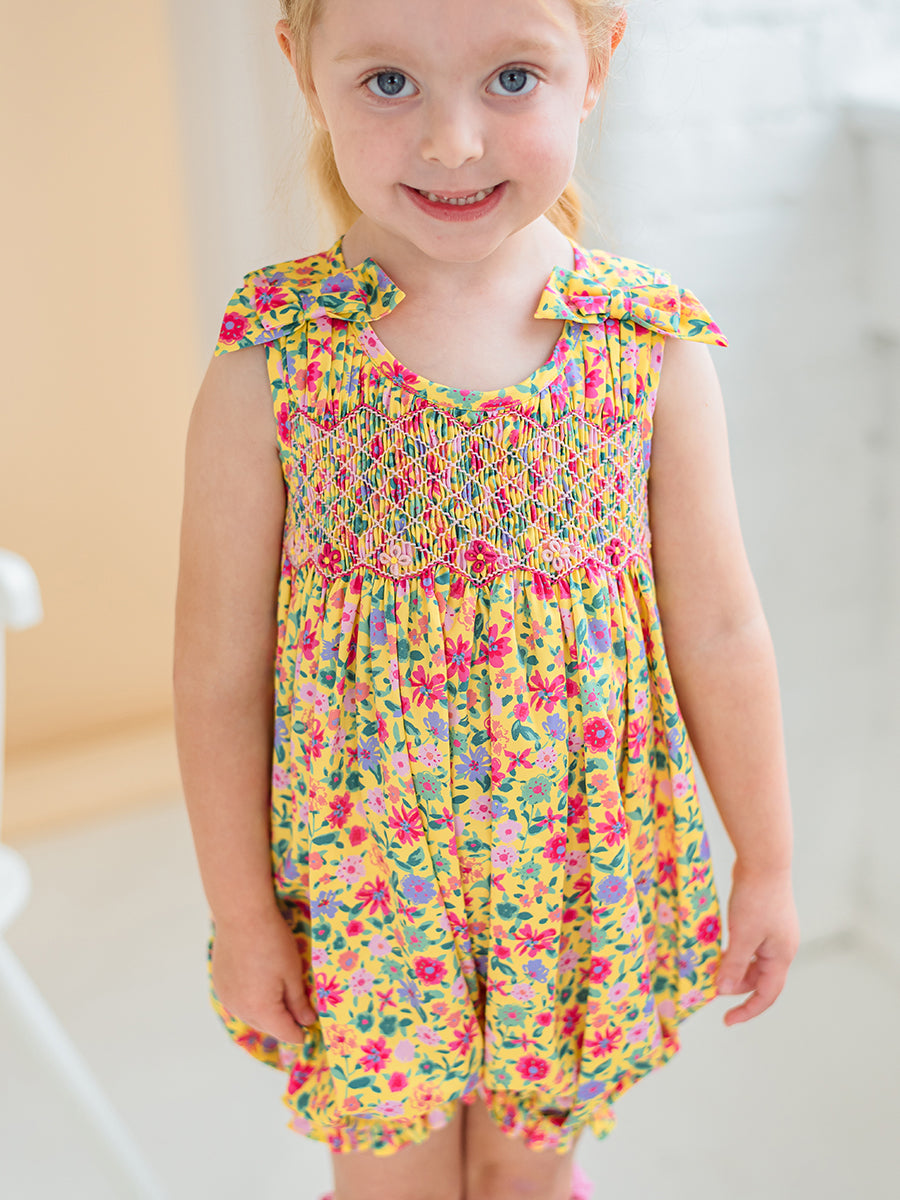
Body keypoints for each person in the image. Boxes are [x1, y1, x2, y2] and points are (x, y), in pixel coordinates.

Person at [173, 1, 800, 1198]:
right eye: (389, 82)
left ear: (597, 65)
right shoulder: (276, 356)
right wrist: (244, 916)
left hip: (572, 870)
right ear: (302, 68)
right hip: (364, 881)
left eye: (513, 78)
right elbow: (216, 674)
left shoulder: (643, 344)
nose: (452, 141)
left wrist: (765, 861)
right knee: (393, 1180)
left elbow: (722, 631)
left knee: (528, 1176)